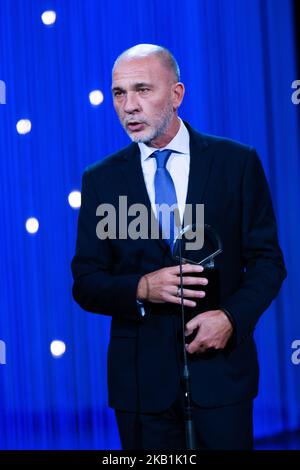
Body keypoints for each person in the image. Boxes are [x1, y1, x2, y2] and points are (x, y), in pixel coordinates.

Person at [71, 44, 286, 450]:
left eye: (142, 90)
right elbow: (85, 280)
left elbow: (268, 263)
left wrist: (230, 317)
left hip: (221, 379)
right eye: (119, 94)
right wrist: (139, 288)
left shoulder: (235, 163)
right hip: (141, 386)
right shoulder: (101, 179)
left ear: (176, 94)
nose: (129, 106)